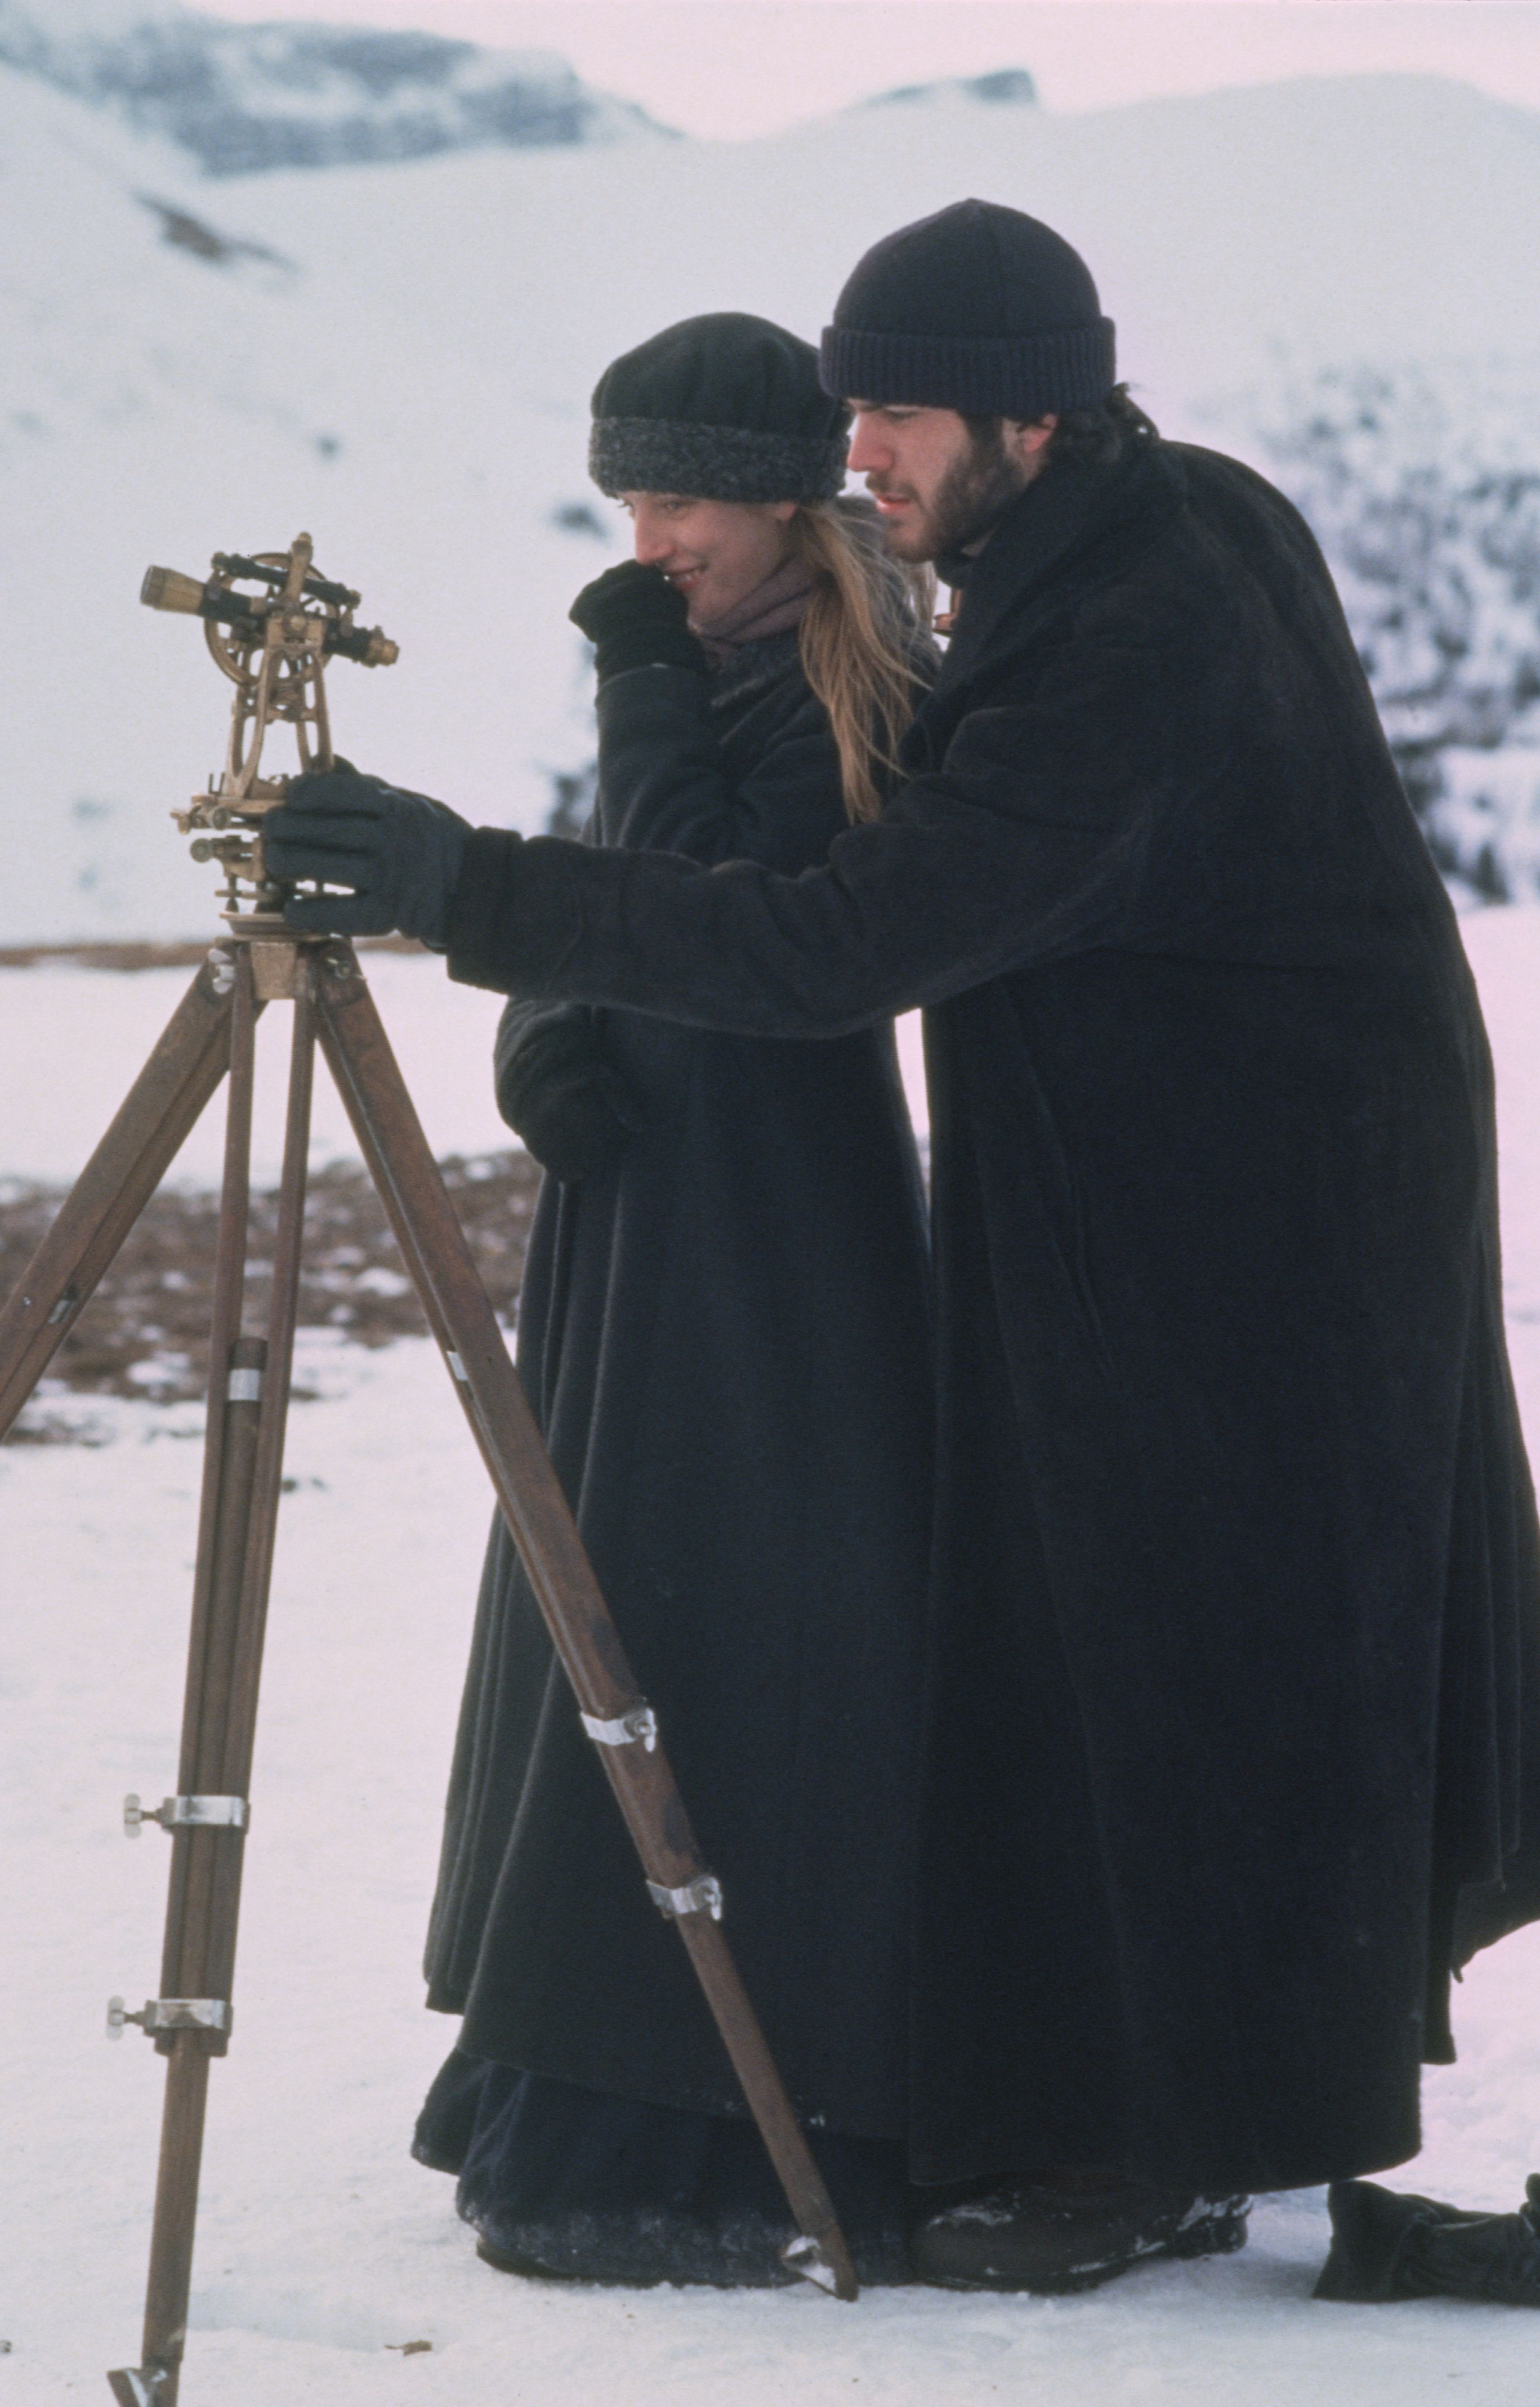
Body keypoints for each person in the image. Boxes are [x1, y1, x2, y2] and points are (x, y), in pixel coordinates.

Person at [269, 202, 1540, 2299]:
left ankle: (1169, 2147)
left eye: (887, 410)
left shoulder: (1139, 627)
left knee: (1222, 1669)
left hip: (1260, 1216)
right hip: (1191, 1177)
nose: (849, 449)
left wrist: (470, 889)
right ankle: (1150, 2122)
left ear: (1029, 410)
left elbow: (851, 934)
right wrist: (557, 995)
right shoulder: (1146, 531)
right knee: (1148, 1662)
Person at [408, 314, 938, 2287]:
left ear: (791, 499)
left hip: (781, 1234)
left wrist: (635, 689)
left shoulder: (839, 688)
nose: (652, 539)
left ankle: (707, 2104)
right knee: (614, 1581)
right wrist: (550, 1035)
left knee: (730, 1615)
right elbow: (620, 915)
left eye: (687, 496)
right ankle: (589, 2050)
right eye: (632, 498)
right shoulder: (718, 651)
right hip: (659, 1211)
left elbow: (715, 900)